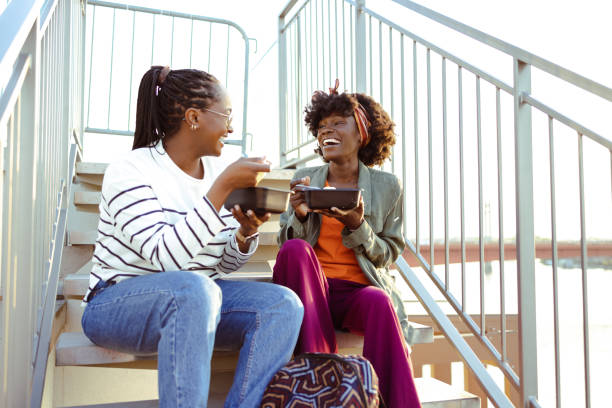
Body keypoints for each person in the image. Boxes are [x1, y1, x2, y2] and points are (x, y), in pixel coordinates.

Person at [81, 66, 303, 408]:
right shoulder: (130, 171)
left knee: (282, 305)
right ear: (194, 117)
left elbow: (222, 264)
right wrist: (221, 190)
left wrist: (245, 233)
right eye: (226, 114)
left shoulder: (216, 172)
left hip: (200, 299)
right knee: (193, 290)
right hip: (116, 304)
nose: (231, 126)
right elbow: (167, 258)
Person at [273, 79, 420, 408]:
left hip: (356, 290)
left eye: (339, 123)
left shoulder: (387, 186)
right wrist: (298, 214)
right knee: (296, 249)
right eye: (322, 126)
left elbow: (388, 254)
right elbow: (284, 247)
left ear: (362, 132)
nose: (328, 132)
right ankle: (324, 382)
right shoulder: (306, 177)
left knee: (380, 302)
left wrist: (357, 224)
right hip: (312, 289)